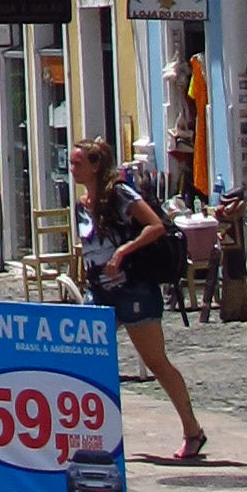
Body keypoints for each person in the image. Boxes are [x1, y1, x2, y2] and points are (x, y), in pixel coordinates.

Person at [69, 137, 209, 461]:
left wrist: (123, 251)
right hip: (99, 290)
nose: (72, 169)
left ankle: (192, 429)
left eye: (78, 163)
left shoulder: (119, 194)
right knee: (83, 359)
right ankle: (92, 433)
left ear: (95, 165)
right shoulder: (81, 204)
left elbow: (156, 226)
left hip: (132, 287)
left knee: (155, 361)